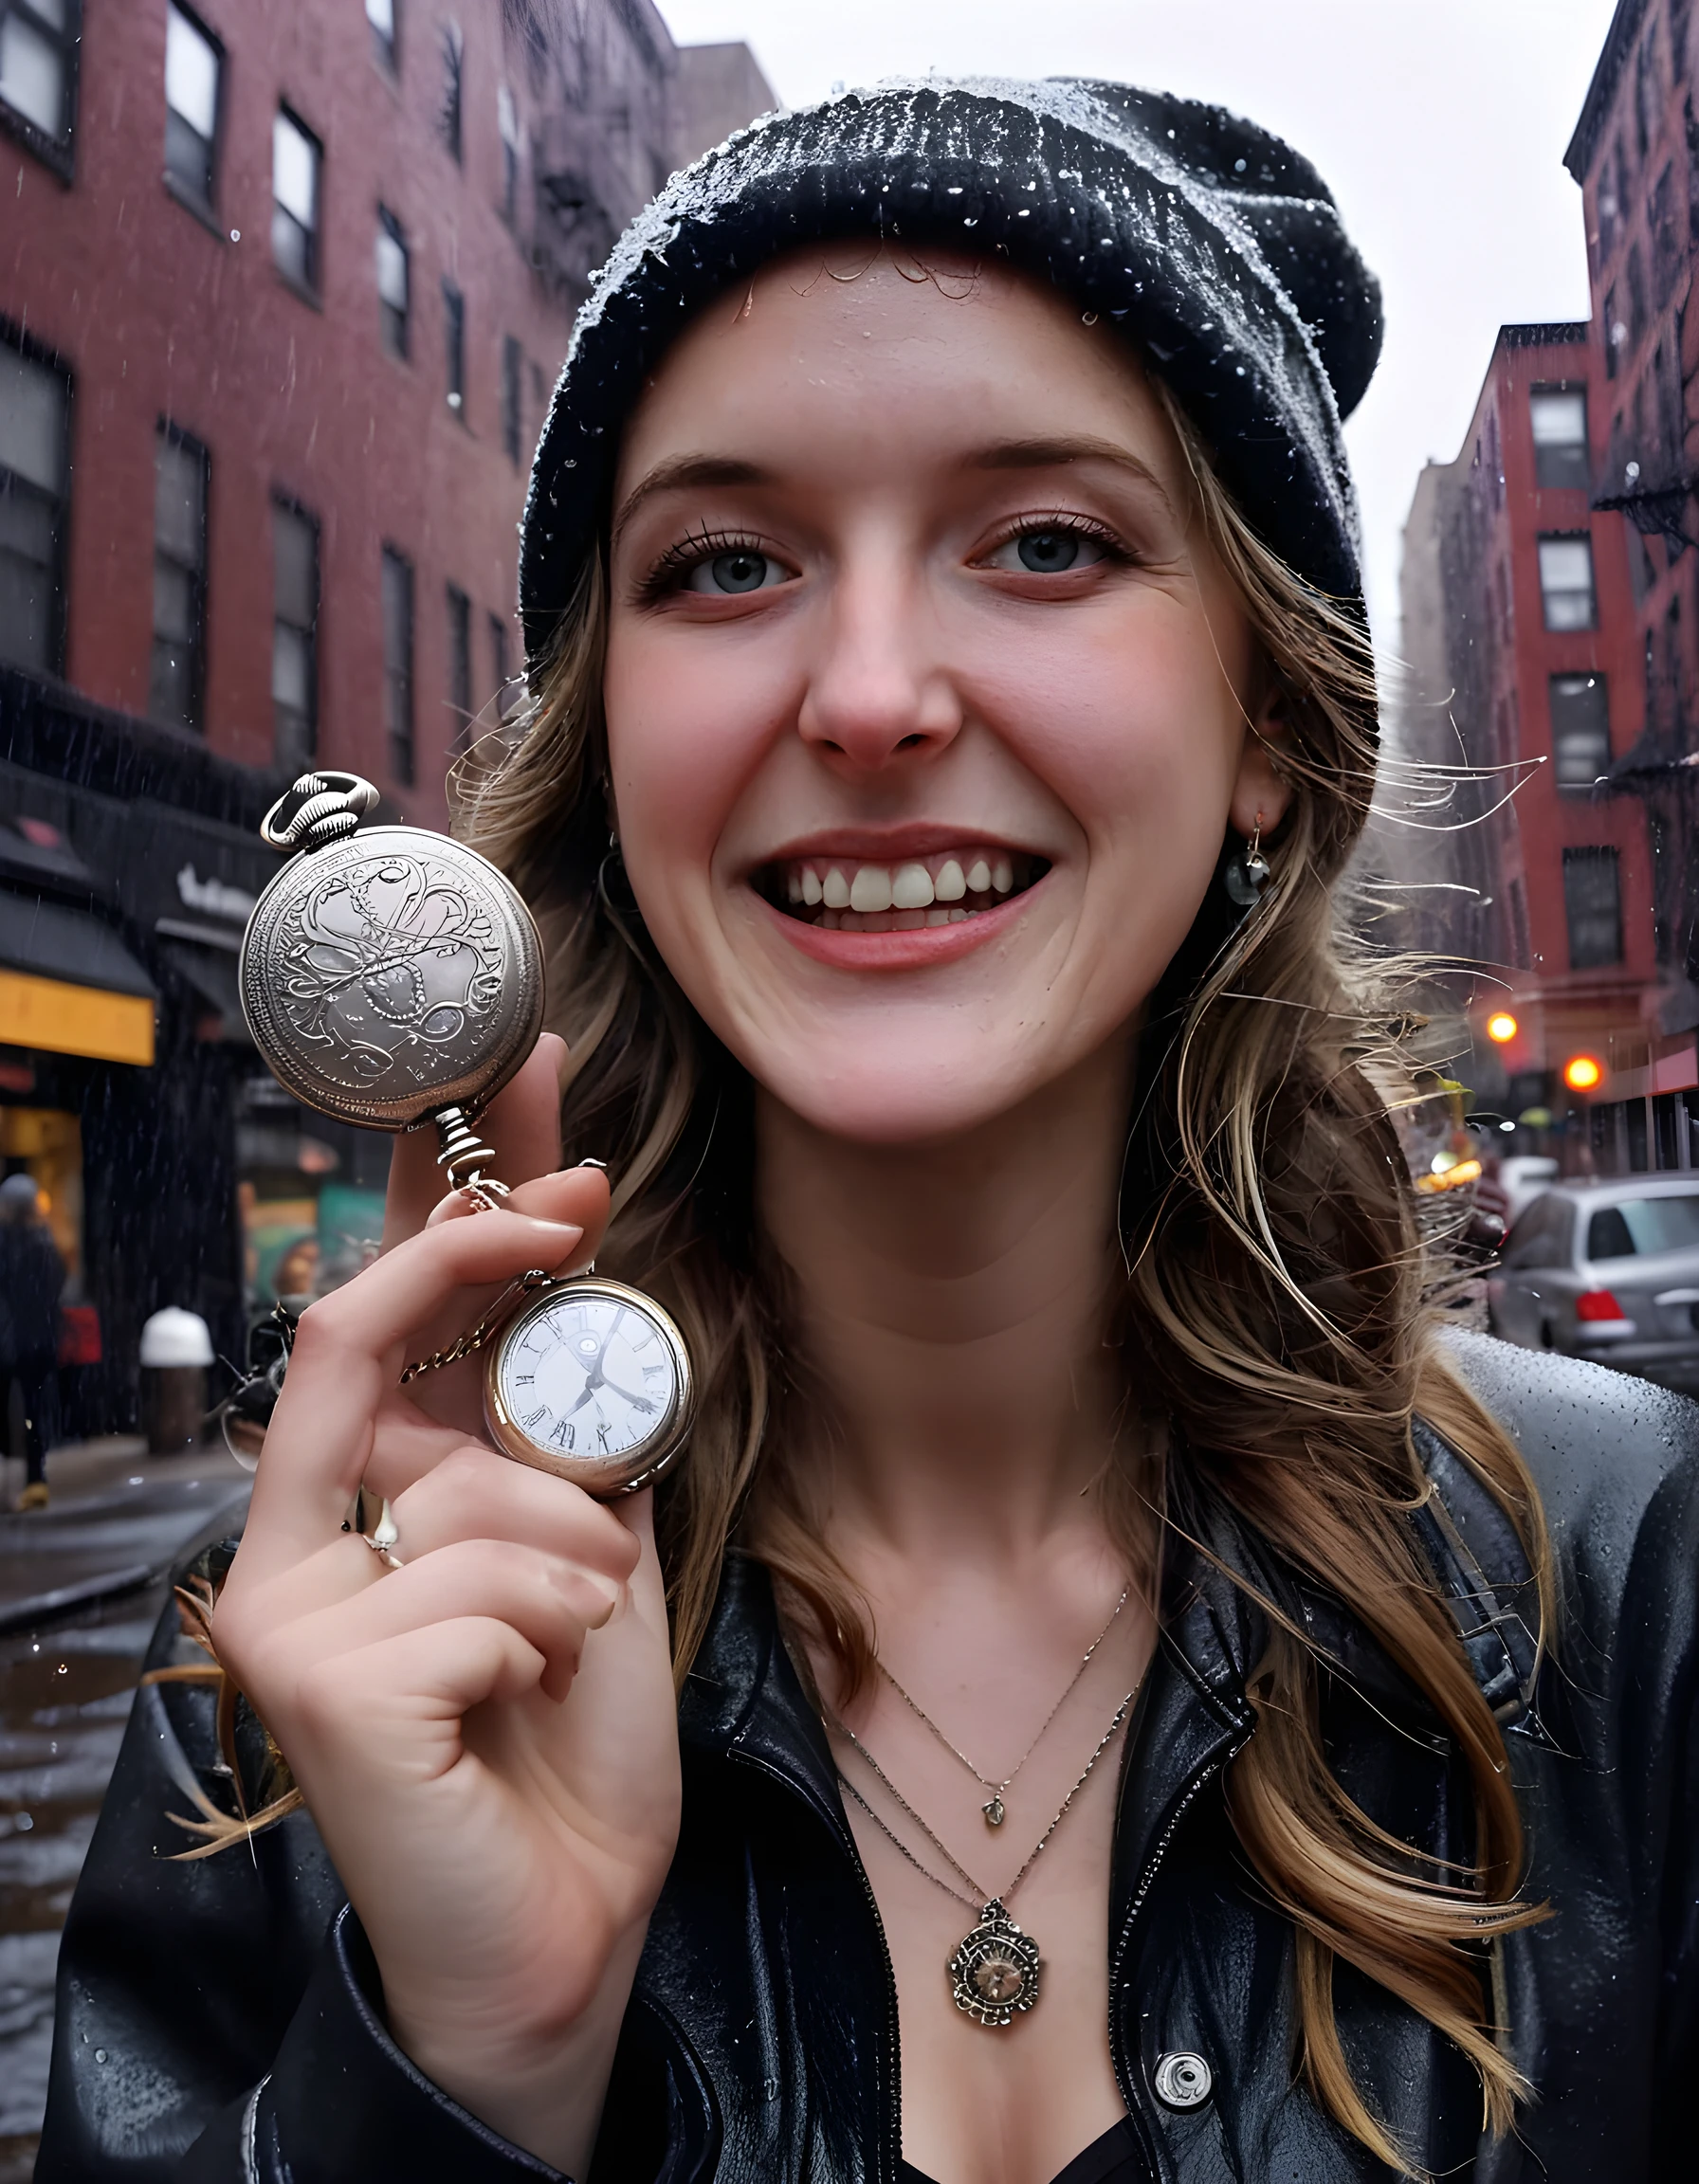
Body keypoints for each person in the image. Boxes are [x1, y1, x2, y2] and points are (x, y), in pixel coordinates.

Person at [39, 80, 1699, 2184]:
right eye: (725, 562)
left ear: (1264, 729)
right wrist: (473, 2062)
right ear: (611, 746)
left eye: (1044, 544)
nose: (870, 691)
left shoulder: (1629, 1576)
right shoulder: (309, 1669)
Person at [0, 1169, 64, 1511]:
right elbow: (55, 1288)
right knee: (35, 1413)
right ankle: (36, 1480)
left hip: (8, 1341)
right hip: (39, 1342)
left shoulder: (4, 1243)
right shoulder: (44, 1244)